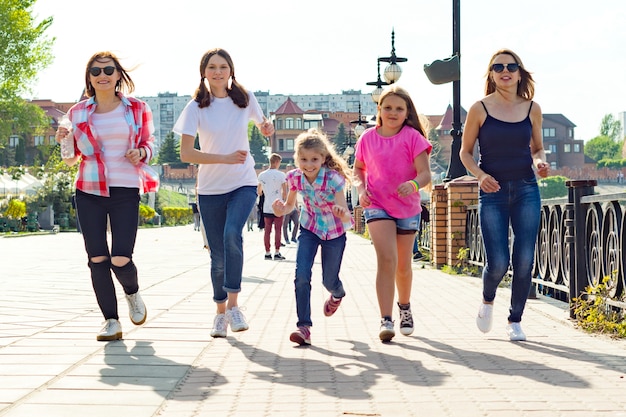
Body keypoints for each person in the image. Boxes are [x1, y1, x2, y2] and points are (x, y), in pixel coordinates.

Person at [55, 51, 159, 341]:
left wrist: (141, 152)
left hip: (125, 188)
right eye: (96, 71)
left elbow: (150, 143)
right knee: (97, 258)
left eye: (108, 70)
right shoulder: (77, 113)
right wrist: (65, 140)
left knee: (121, 257)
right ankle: (111, 321)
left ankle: (132, 293)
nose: (102, 75)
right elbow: (71, 158)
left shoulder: (137, 108)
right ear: (89, 77)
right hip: (88, 190)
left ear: (117, 75)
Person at [174, 48, 274, 338]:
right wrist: (223, 157)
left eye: (223, 66)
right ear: (204, 72)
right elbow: (185, 152)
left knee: (233, 235)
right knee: (217, 255)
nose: (218, 72)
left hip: (242, 182)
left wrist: (266, 128)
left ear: (231, 70)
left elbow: (263, 126)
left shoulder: (244, 99)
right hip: (209, 189)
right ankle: (220, 314)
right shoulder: (195, 107)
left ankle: (234, 306)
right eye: (212, 67)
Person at [459, 49, 549, 342]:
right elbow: (465, 152)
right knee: (497, 261)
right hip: (493, 191)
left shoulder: (532, 108)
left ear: (520, 72)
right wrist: (481, 176)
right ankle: (487, 300)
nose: (505, 70)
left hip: (526, 188)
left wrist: (539, 162)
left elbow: (537, 148)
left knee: (524, 258)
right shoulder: (479, 109)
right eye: (498, 67)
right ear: (492, 74)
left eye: (511, 66)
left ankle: (515, 319)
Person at [353, 85, 432, 342]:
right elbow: (358, 170)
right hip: (377, 204)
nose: (393, 112)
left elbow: (425, 174)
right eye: (388, 107)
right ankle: (386, 319)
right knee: (386, 259)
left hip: (407, 207)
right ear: (379, 110)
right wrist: (362, 189)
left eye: (399, 108)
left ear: (407, 112)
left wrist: (414, 185)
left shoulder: (412, 137)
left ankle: (405, 308)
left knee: (403, 266)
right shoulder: (367, 138)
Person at [272, 128, 353, 346]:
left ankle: (337, 293)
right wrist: (281, 209)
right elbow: (290, 205)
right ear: (297, 159)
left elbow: (344, 210)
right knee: (301, 275)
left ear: (323, 158)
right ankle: (304, 327)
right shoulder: (294, 178)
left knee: (329, 280)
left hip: (334, 232)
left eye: (314, 159)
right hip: (309, 229)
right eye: (304, 159)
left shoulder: (334, 179)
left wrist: (341, 212)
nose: (309, 165)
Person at [257, 153, 287, 260]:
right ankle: (277, 251)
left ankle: (267, 252)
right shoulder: (281, 175)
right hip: (278, 205)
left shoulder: (261, 175)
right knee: (278, 229)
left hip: (267, 206)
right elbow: (284, 192)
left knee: (267, 230)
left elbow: (259, 192)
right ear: (277, 162)